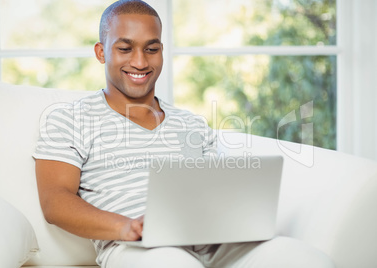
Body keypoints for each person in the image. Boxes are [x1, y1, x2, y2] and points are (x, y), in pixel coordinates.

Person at [33, 1, 335, 267]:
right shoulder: (68, 118)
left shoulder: (192, 124)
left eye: (151, 49)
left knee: (304, 258)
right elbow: (55, 201)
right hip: (136, 249)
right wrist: (128, 227)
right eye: (125, 48)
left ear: (161, 51)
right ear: (101, 52)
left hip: (214, 246)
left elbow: (212, 195)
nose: (140, 61)